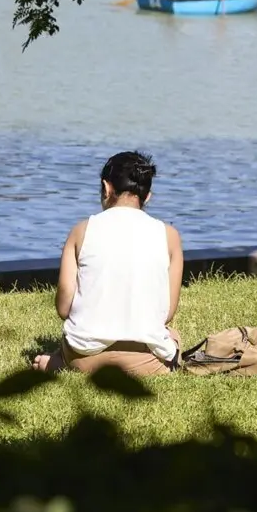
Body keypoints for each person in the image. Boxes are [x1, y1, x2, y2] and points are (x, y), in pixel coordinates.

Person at [33, 151, 184, 377]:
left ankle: (61, 364)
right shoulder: (169, 236)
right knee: (173, 336)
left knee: (73, 344)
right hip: (147, 361)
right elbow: (167, 313)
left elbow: (64, 307)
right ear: (148, 196)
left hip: (84, 358)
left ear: (106, 188)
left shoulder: (80, 232)